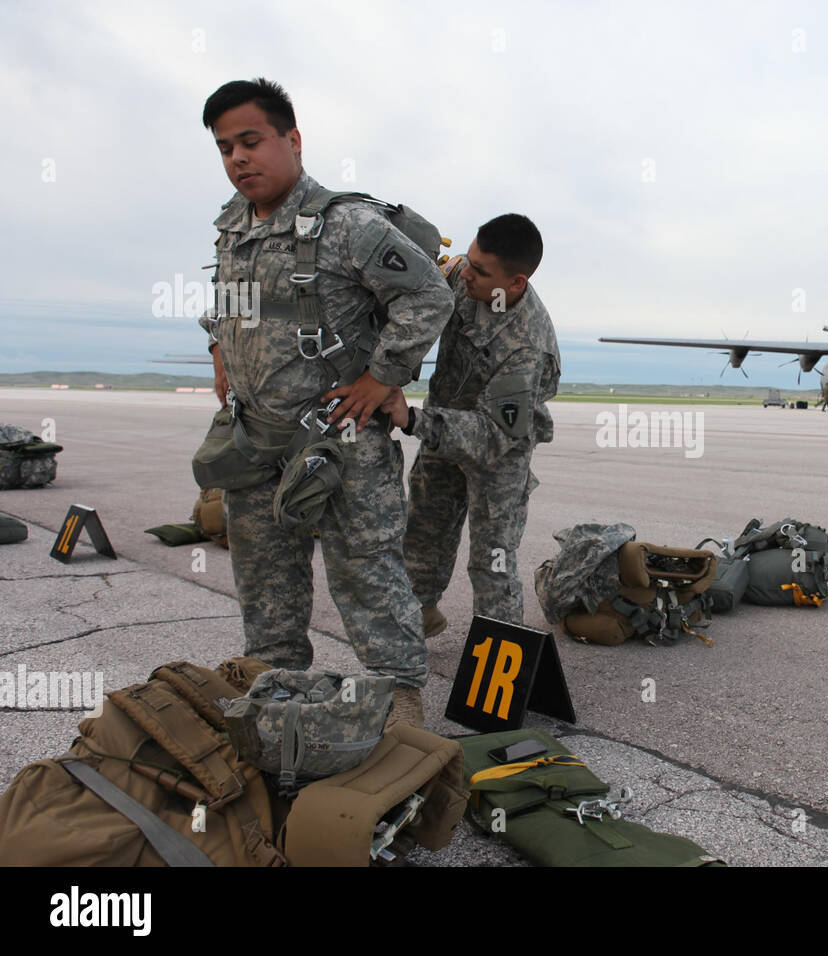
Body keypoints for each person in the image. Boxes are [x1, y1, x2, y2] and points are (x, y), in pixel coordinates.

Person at [198, 78, 454, 728]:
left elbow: (428, 295)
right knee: (263, 584)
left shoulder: (346, 226)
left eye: (251, 142)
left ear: (292, 139)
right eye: (226, 147)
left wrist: (383, 377)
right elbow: (229, 301)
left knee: (367, 577)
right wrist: (221, 352)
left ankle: (399, 704)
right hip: (256, 442)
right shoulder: (233, 227)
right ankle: (273, 689)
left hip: (340, 442)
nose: (238, 158)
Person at [384, 214, 560, 634]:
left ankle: (503, 663)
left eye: (480, 271)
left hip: (499, 450)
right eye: (469, 260)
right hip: (444, 428)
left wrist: (412, 419)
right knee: (423, 533)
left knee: (492, 561)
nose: (466, 273)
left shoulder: (527, 347)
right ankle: (416, 623)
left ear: (515, 283)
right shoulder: (464, 274)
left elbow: (491, 437)